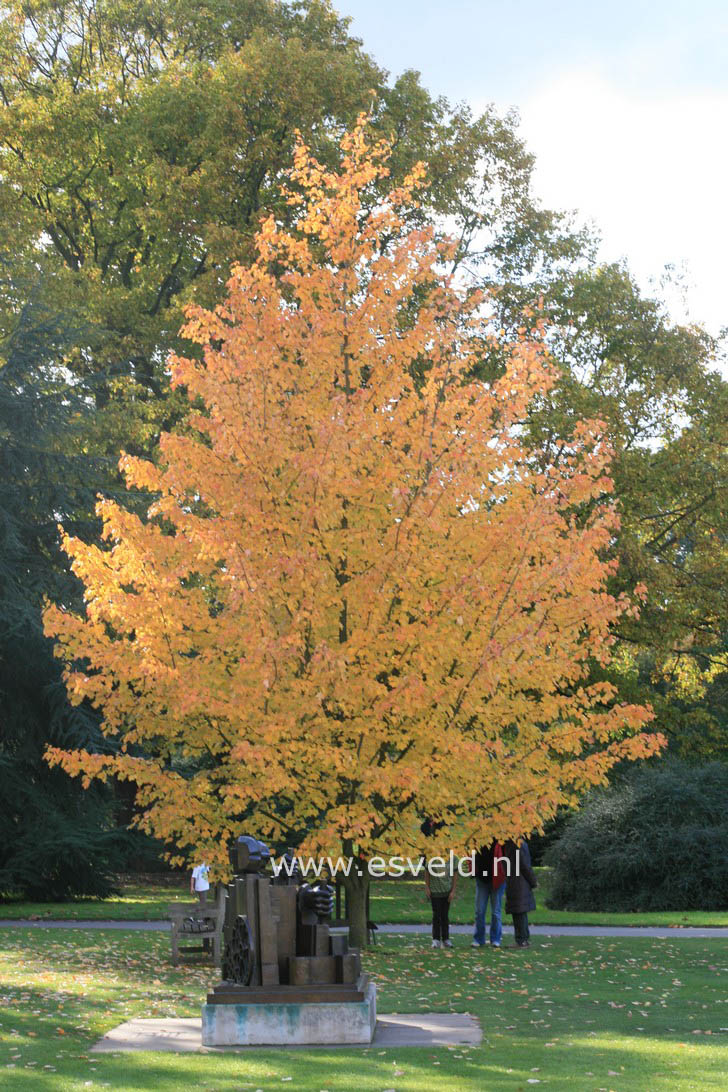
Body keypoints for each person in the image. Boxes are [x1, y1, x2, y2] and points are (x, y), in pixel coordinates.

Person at [471, 840, 506, 948]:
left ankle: (495, 938)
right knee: (480, 911)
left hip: (497, 879)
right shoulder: (479, 838)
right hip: (482, 879)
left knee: (496, 911)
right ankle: (479, 938)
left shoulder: (500, 839)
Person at [503, 838, 537, 947]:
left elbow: (524, 865)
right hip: (518, 882)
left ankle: (522, 939)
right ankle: (523, 938)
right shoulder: (517, 844)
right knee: (520, 912)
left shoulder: (514, 845)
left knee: (519, 912)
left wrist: (533, 882)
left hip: (517, 882)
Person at [425, 853, 458, 949]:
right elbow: (427, 871)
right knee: (436, 915)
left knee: (444, 915)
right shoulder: (432, 855)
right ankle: (436, 939)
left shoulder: (453, 857)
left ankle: (446, 939)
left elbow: (455, 873)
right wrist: (427, 887)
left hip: (446, 891)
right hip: (435, 891)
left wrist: (453, 891)